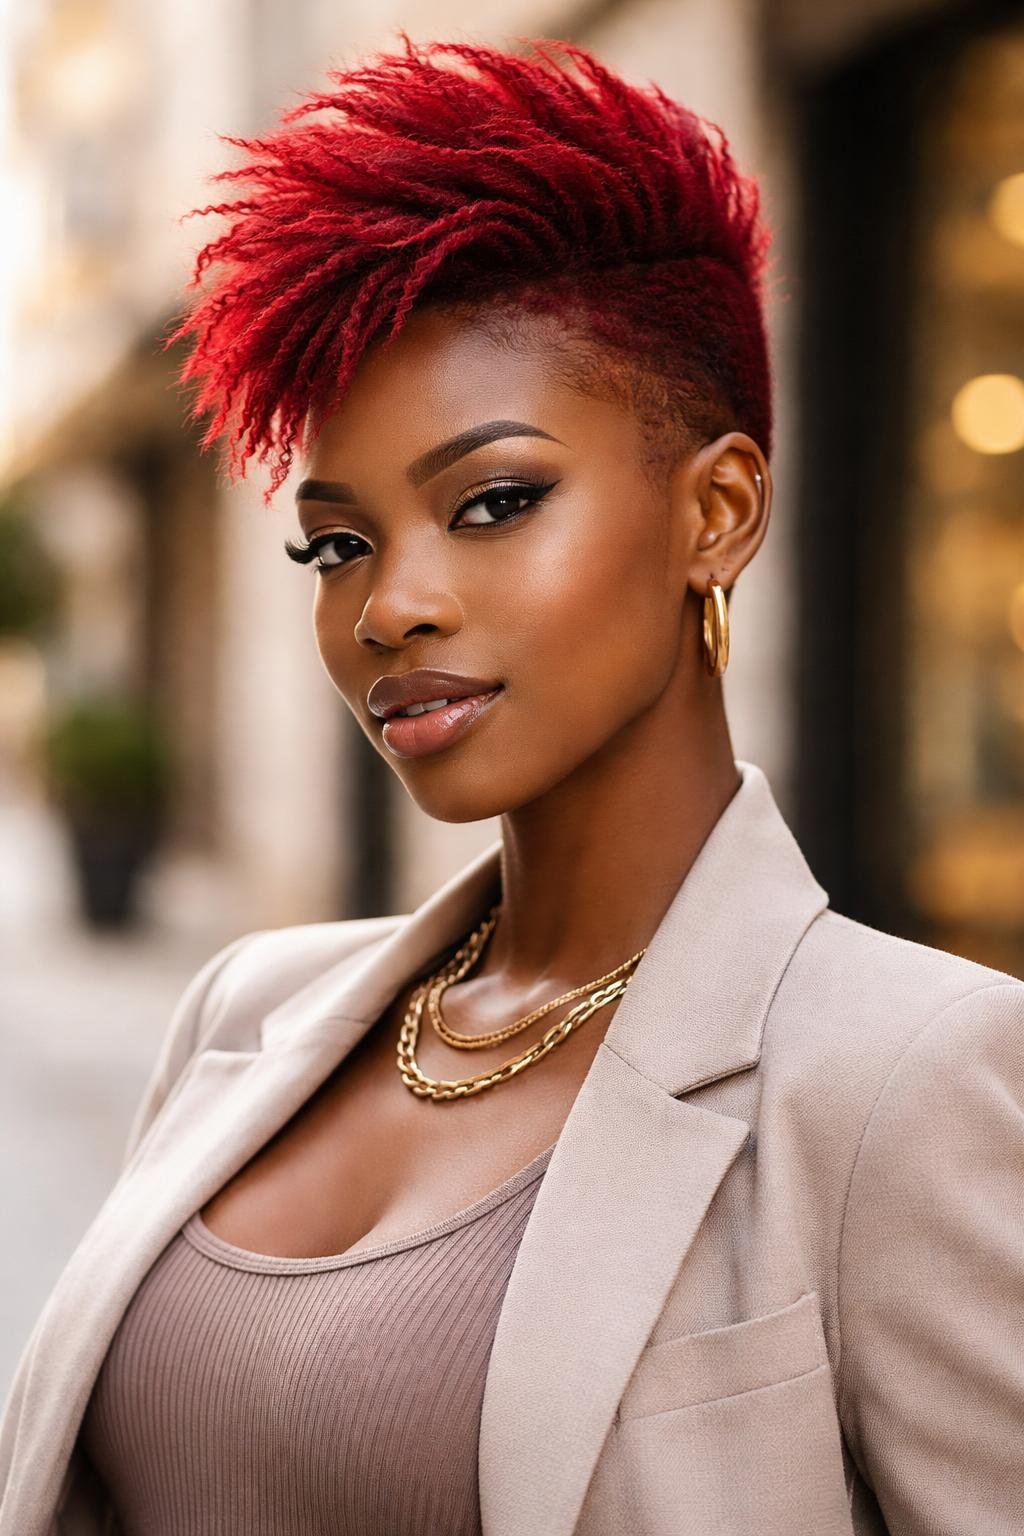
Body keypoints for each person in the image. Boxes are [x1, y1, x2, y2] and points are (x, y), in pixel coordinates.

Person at [1, 33, 1022, 1536]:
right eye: (339, 543)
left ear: (720, 510)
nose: (389, 607)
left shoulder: (909, 1079)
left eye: (493, 502)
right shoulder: (248, 1014)